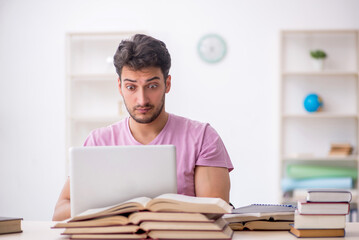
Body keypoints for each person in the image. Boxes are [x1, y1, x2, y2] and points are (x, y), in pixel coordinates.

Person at [52, 34, 233, 221]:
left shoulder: (202, 137)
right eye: (131, 87)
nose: (142, 99)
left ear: (167, 84)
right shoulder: (98, 141)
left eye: (152, 86)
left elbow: (214, 214)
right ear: (120, 87)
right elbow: (60, 213)